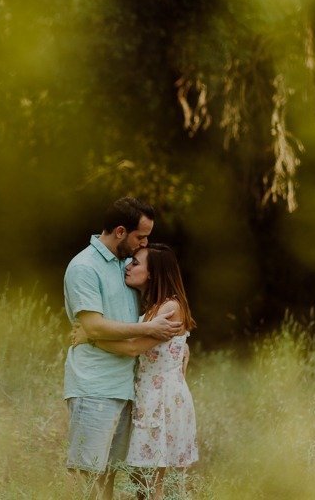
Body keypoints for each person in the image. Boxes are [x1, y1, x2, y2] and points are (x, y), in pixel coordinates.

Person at [64, 198, 183, 500]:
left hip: (128, 388)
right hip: (95, 386)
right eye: (140, 237)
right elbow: (94, 325)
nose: (145, 243)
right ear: (120, 231)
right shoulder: (84, 267)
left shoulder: (124, 266)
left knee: (110, 476)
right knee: (89, 476)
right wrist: (147, 329)